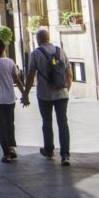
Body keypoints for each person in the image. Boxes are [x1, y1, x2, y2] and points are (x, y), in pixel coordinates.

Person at [21, 27, 72, 165]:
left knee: (47, 122)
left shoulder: (36, 53)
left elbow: (31, 75)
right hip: (62, 93)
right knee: (63, 123)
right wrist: (66, 88)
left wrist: (25, 94)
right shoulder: (60, 51)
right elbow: (69, 72)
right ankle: (65, 154)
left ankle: (49, 149)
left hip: (44, 93)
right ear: (48, 38)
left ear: (38, 40)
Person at [0, 37, 26, 163]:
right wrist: (24, 93)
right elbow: (17, 79)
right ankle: (11, 148)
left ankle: (6, 152)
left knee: (0, 126)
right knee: (10, 123)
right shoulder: (10, 62)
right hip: (9, 98)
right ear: (4, 48)